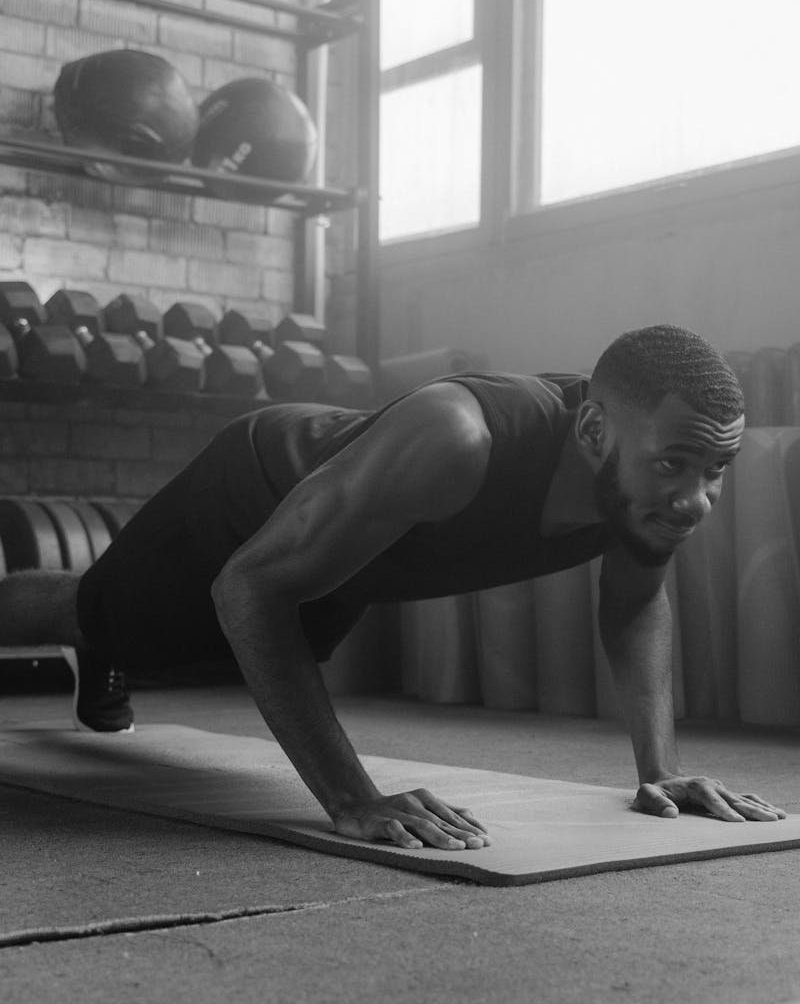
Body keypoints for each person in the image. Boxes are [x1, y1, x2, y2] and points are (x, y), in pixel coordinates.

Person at [0, 324, 786, 849]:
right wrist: (353, 799)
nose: (698, 499)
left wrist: (658, 770)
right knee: (104, 612)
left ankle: (115, 643)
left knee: (245, 654)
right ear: (591, 433)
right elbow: (249, 588)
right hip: (257, 492)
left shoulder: (641, 489)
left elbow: (637, 601)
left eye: (717, 469)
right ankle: (103, 638)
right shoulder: (460, 437)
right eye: (675, 464)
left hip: (366, 551)